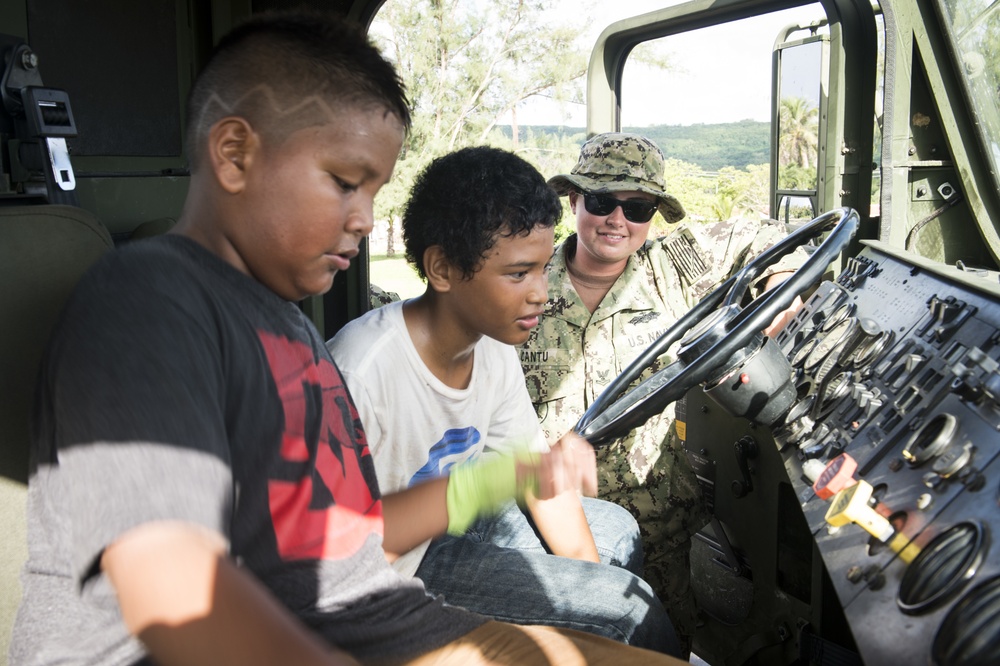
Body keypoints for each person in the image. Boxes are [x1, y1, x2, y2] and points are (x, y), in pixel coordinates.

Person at [9, 17, 689, 666]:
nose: (365, 220)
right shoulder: (149, 300)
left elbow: (340, 539)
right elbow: (169, 585)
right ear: (235, 153)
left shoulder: (287, 330)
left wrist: (507, 475)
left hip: (385, 618)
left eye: (375, 191)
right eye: (343, 183)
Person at [326, 146, 679, 656]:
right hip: (385, 576)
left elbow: (539, 478)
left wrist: (586, 593)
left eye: (541, 269)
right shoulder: (361, 375)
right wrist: (603, 608)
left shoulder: (489, 344)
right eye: (519, 274)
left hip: (447, 531)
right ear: (442, 269)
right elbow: (336, 557)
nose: (540, 293)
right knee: (628, 611)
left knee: (615, 531)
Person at [519, 132, 805, 654]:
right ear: (574, 200)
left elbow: (767, 233)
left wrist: (782, 274)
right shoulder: (525, 282)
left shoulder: (672, 268)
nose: (617, 221)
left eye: (638, 207)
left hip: (657, 531)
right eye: (602, 201)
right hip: (543, 528)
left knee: (660, 649)